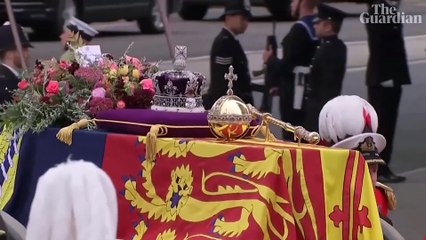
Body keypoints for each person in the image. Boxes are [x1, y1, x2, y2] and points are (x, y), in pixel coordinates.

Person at [318, 95, 396, 221]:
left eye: (374, 169)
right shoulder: (314, 200)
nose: (371, 179)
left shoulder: (378, 198)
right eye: (361, 170)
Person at [365, 0, 410, 183]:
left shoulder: (385, 9)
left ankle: (383, 165)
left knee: (388, 123)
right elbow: (379, 45)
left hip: (391, 76)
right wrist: (387, 75)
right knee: (383, 124)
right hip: (384, 77)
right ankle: (379, 167)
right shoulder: (377, 10)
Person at [262, 0, 319, 140]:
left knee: (292, 133)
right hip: (312, 89)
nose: (291, 4)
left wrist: (270, 60)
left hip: (295, 93)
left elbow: (287, 65)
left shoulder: (300, 29)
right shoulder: (318, 25)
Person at [303, 3, 347, 133]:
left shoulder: (332, 49)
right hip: (317, 107)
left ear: (328, 26)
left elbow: (328, 85)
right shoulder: (327, 46)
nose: (315, 25)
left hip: (321, 110)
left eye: (318, 22)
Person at [202, 0, 253, 110]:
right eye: (242, 17)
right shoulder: (223, 43)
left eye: (247, 18)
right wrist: (242, 105)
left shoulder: (231, 41)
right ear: (229, 17)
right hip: (228, 108)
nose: (245, 22)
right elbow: (222, 82)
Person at [0, 21, 33, 104]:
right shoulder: (7, 84)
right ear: (9, 54)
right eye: (24, 49)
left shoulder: (12, 78)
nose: (28, 54)